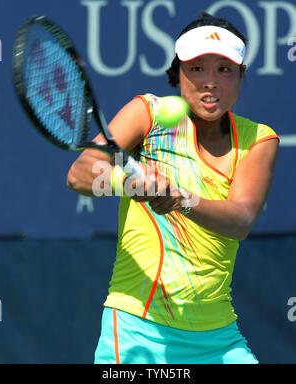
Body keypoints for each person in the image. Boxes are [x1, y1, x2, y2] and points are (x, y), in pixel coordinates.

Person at [67, 11, 280, 364]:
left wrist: (183, 198)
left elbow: (241, 219)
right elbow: (81, 174)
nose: (210, 81)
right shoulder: (146, 114)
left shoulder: (259, 139)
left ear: (241, 76)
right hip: (138, 330)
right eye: (197, 68)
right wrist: (130, 184)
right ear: (177, 74)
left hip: (220, 340)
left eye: (224, 69)